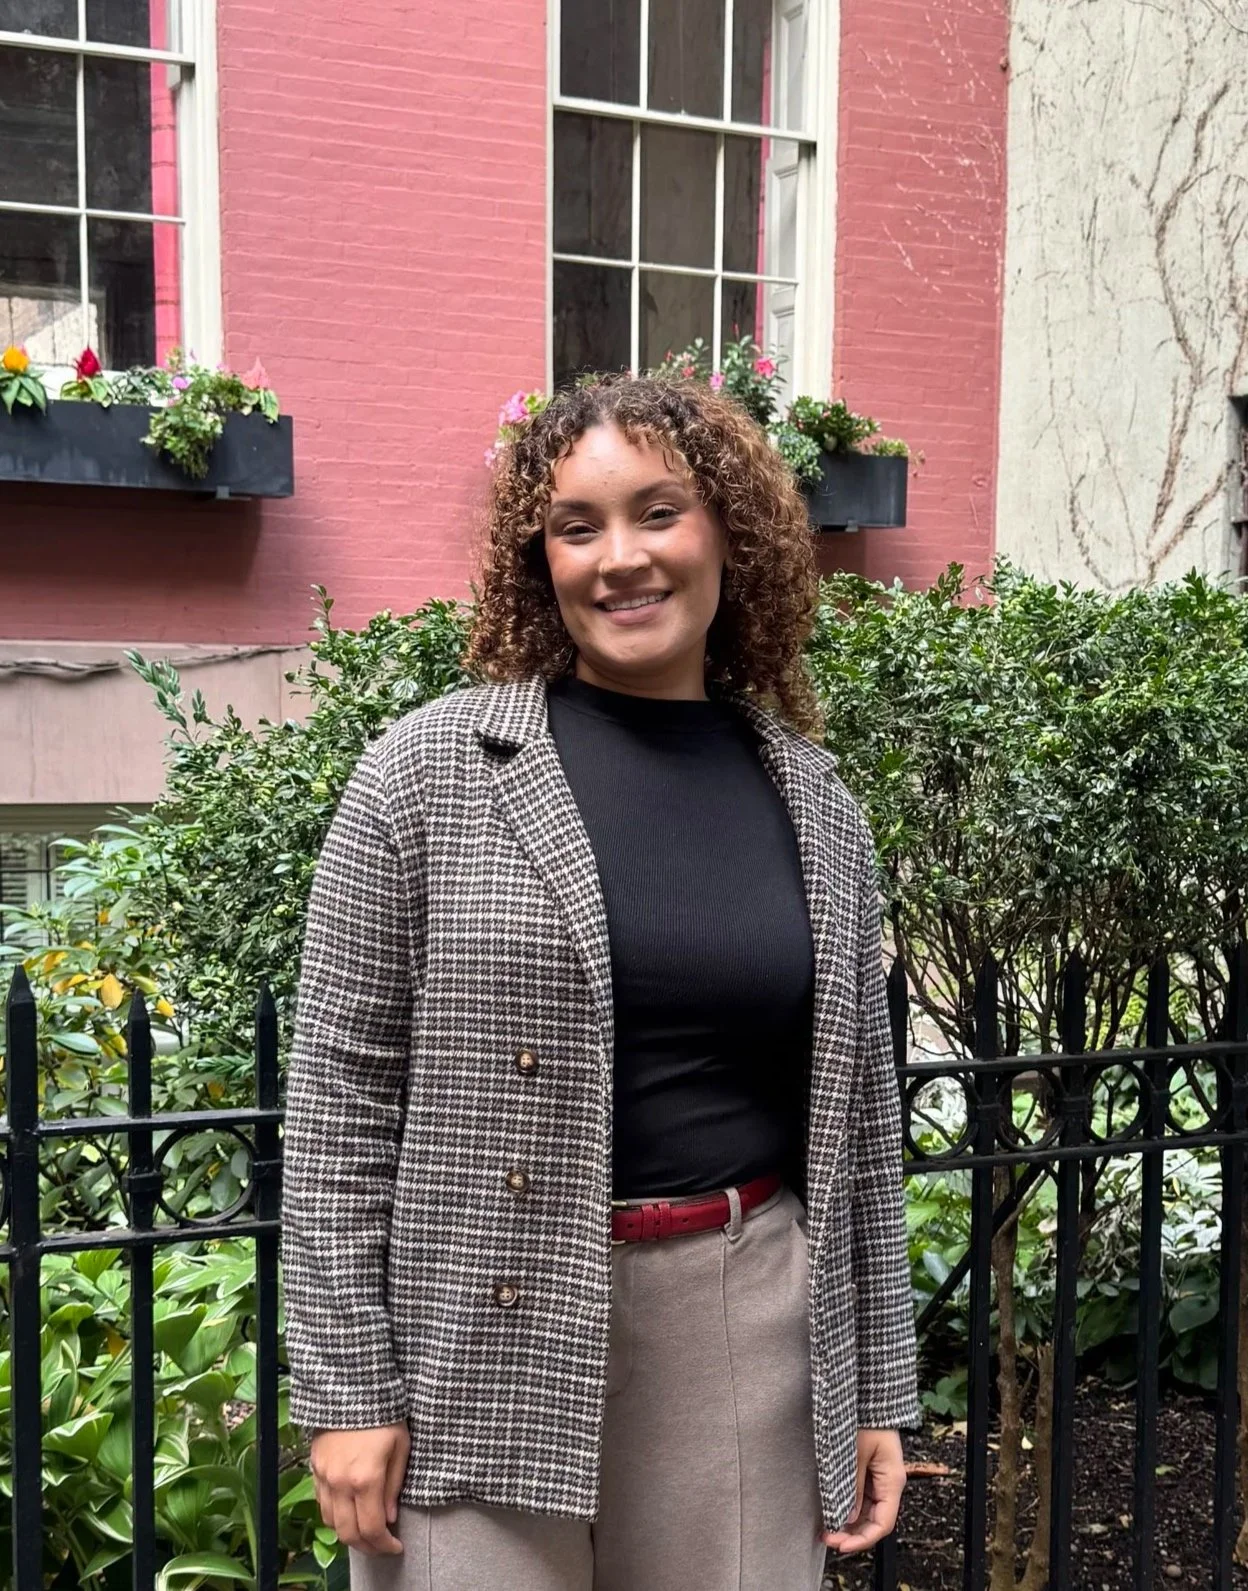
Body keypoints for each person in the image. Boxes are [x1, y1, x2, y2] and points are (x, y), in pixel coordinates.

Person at [280, 374, 920, 1591]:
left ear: (732, 531)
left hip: (740, 1334)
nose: (619, 558)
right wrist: (348, 1386)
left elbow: (860, 1124)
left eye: (658, 512)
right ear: (542, 561)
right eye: (577, 527)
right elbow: (336, 1109)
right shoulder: (428, 772)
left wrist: (877, 1384)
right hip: (480, 1332)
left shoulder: (815, 803)